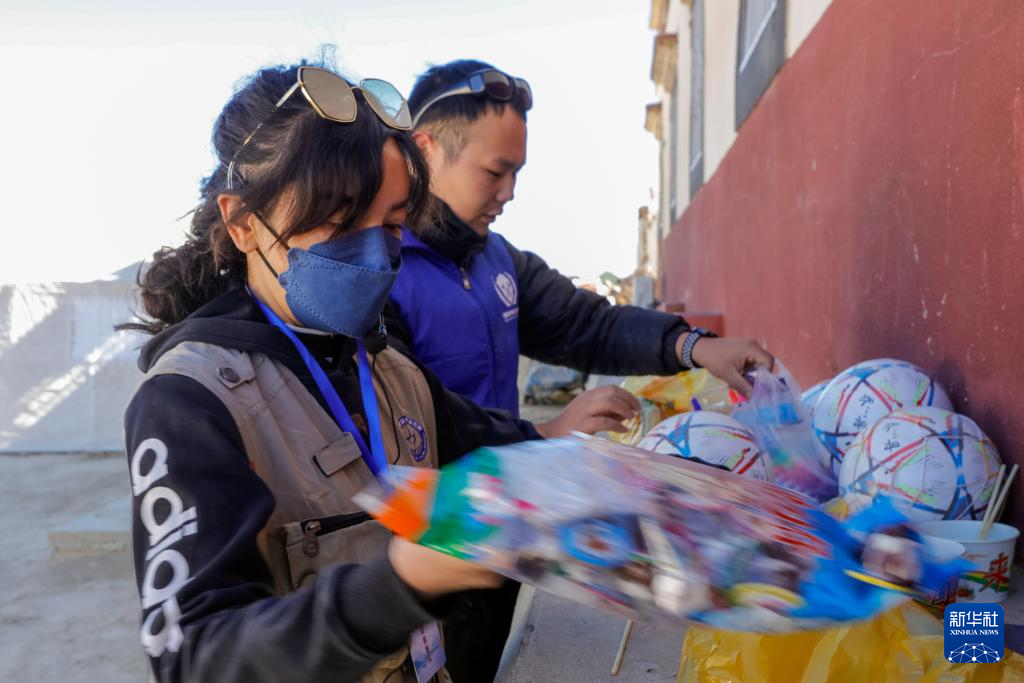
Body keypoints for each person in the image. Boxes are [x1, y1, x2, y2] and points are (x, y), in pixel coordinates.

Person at [122, 60, 541, 683]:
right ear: (241, 223)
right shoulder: (192, 400)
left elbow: (505, 451)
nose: (374, 251)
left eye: (394, 223)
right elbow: (195, 657)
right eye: (339, 220)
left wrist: (623, 463)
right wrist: (396, 585)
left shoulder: (390, 370)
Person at [384, 58, 775, 680]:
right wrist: (539, 436)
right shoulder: (382, 267)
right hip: (420, 543)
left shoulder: (497, 258)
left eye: (517, 172)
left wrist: (696, 348)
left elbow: (585, 324)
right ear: (426, 149)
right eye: (496, 170)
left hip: (502, 525)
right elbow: (409, 409)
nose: (509, 192)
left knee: (492, 660)